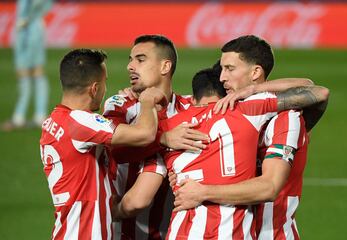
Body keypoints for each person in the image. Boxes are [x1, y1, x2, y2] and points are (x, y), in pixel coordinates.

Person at [113, 62, 329, 239]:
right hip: (239, 230)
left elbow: (133, 184)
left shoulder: (173, 126)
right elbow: (317, 92)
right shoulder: (250, 111)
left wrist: (151, 114)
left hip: (191, 232)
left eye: (230, 69)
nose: (225, 77)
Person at [170, 35, 329, 239]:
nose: (222, 77)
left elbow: (316, 91)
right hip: (235, 231)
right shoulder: (232, 114)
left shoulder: (285, 118)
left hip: (273, 234)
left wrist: (202, 192)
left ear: (255, 72)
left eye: (230, 69)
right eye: (222, 69)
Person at [39, 48, 166, 239]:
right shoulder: (80, 122)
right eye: (105, 83)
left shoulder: (54, 121)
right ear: (94, 88)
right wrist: (147, 102)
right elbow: (145, 134)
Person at [103, 34, 209, 240]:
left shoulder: (190, 109)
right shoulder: (119, 105)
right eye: (130, 60)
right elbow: (116, 151)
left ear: (165, 67)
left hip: (173, 232)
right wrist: (164, 139)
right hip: (120, 231)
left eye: (140, 60)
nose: (130, 66)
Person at [2, 0, 53, 131]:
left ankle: (20, 117)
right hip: (28, 28)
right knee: (34, 72)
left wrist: (28, 18)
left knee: (29, 72)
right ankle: (37, 115)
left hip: (29, 30)